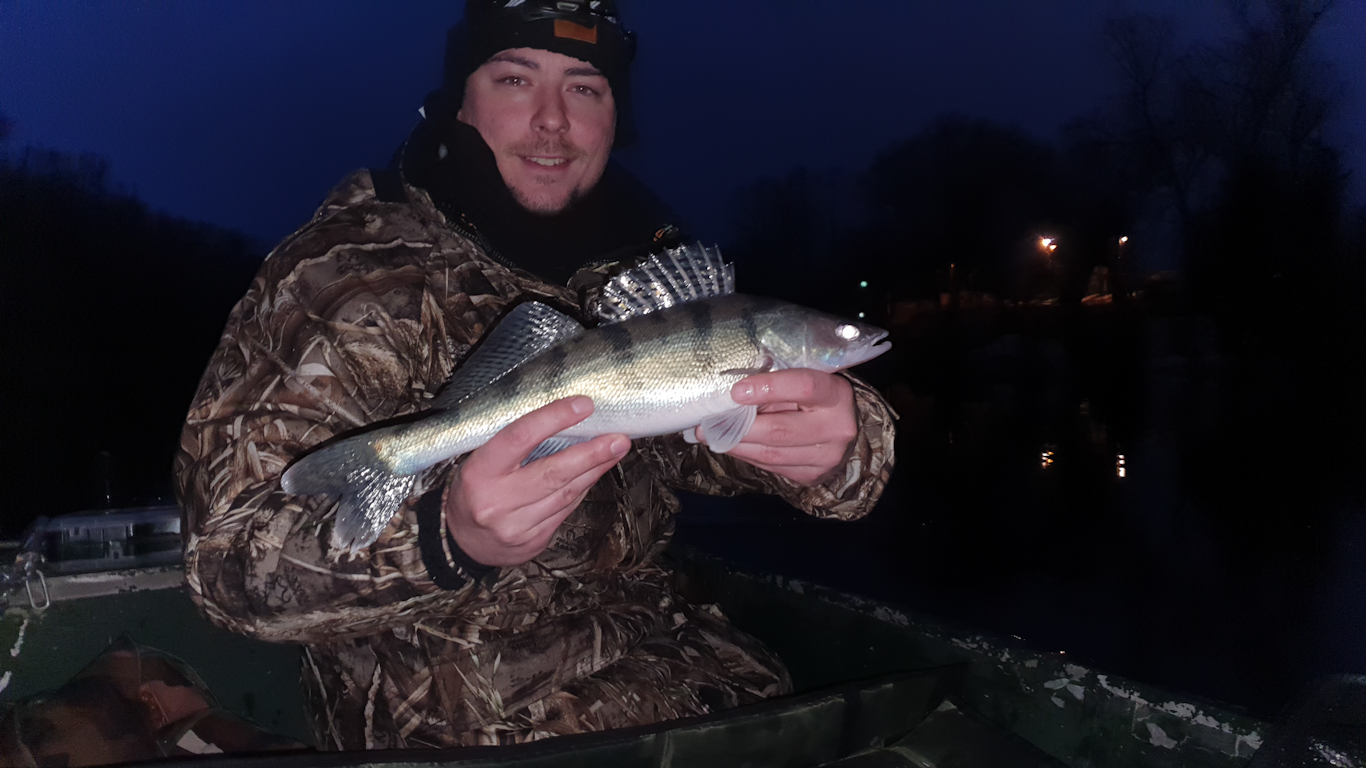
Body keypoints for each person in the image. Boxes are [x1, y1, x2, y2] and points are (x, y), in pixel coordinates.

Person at [174, 0, 895, 749]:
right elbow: (225, 569)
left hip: (675, 675)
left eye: (585, 87)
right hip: (453, 729)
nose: (553, 119)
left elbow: (709, 435)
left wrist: (845, 448)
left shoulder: (642, 274)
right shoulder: (340, 278)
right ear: (459, 100)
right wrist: (444, 537)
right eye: (515, 79)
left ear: (615, 117)